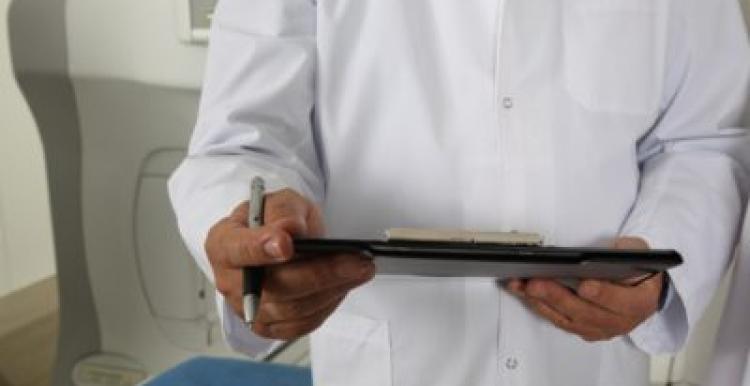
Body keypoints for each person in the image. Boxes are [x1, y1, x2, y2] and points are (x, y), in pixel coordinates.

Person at [168, 0, 750, 385]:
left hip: (586, 362)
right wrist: (256, 235)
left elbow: (703, 140)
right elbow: (243, 142)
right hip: (394, 359)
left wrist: (657, 268)